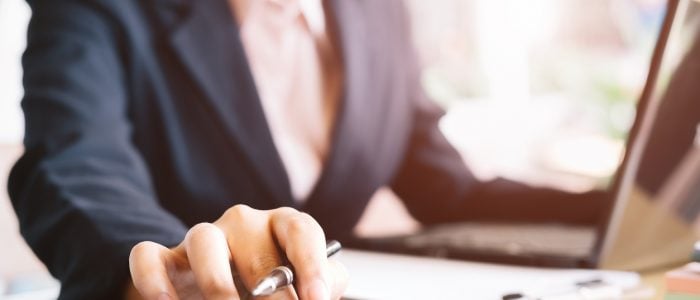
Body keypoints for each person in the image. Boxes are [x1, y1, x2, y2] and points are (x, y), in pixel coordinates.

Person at [8, 0, 606, 299]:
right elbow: (75, 162)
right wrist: (170, 265)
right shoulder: (96, 10)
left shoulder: (376, 12)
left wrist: (613, 207)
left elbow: (444, 185)